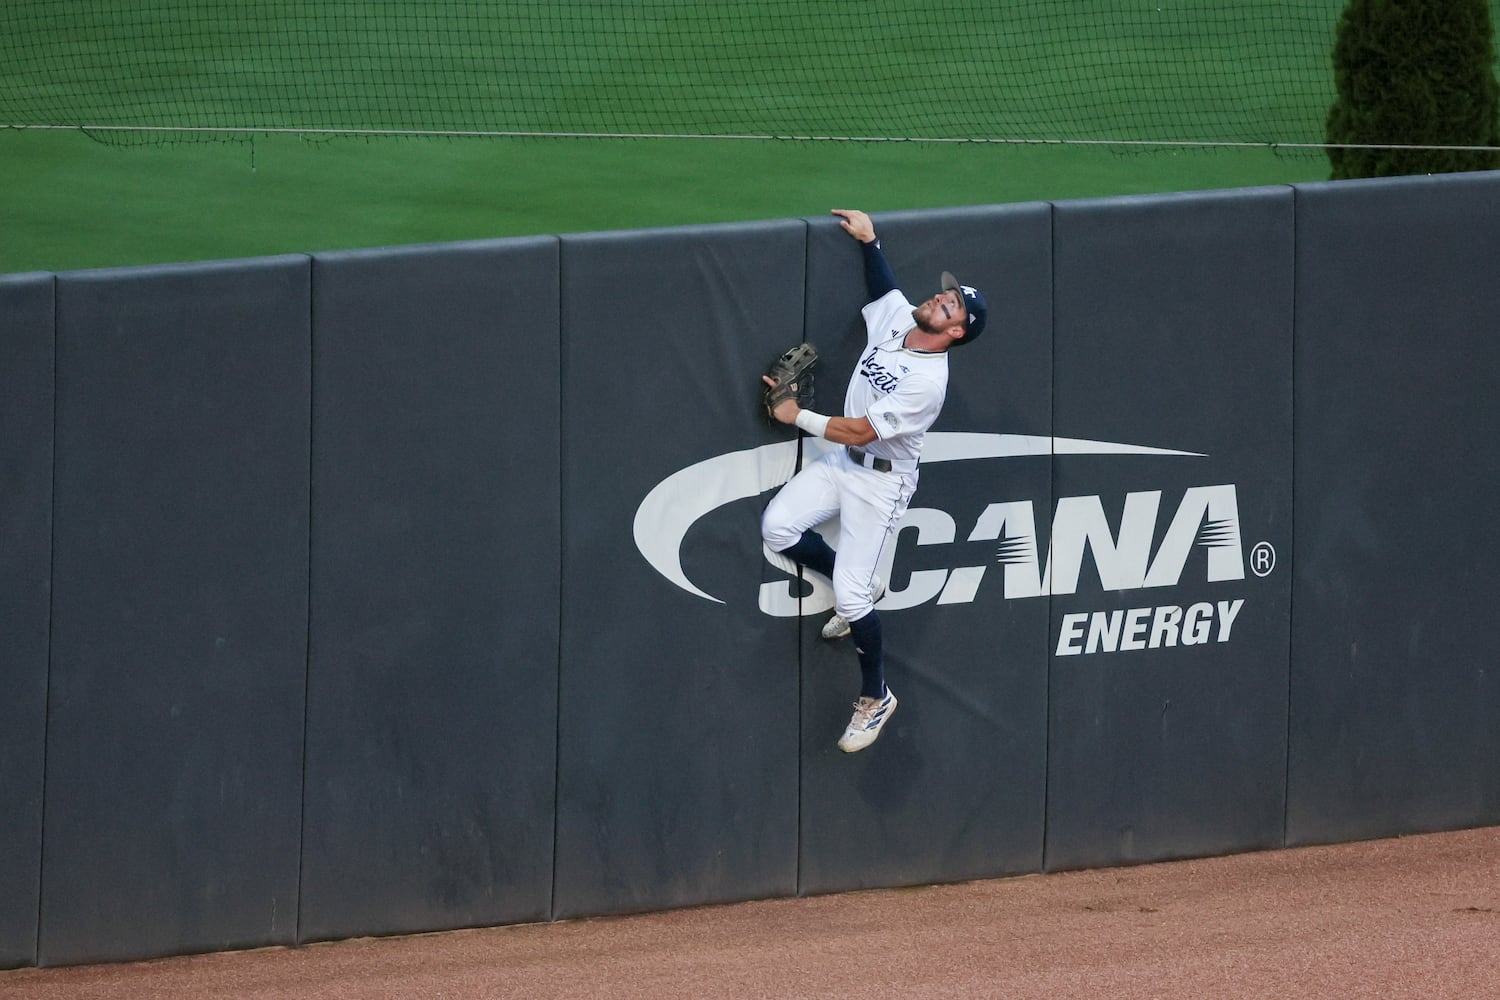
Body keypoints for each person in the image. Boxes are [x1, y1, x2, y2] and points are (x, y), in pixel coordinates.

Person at [761, 208, 989, 752]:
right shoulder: (902, 321)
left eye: (949, 303)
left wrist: (797, 417)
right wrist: (871, 241)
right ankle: (860, 583)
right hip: (842, 465)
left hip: (880, 484)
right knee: (777, 528)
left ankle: (876, 697)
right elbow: (884, 288)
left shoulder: (928, 384)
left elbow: (861, 433)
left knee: (852, 598)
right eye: (943, 293)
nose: (937, 298)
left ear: (955, 332)